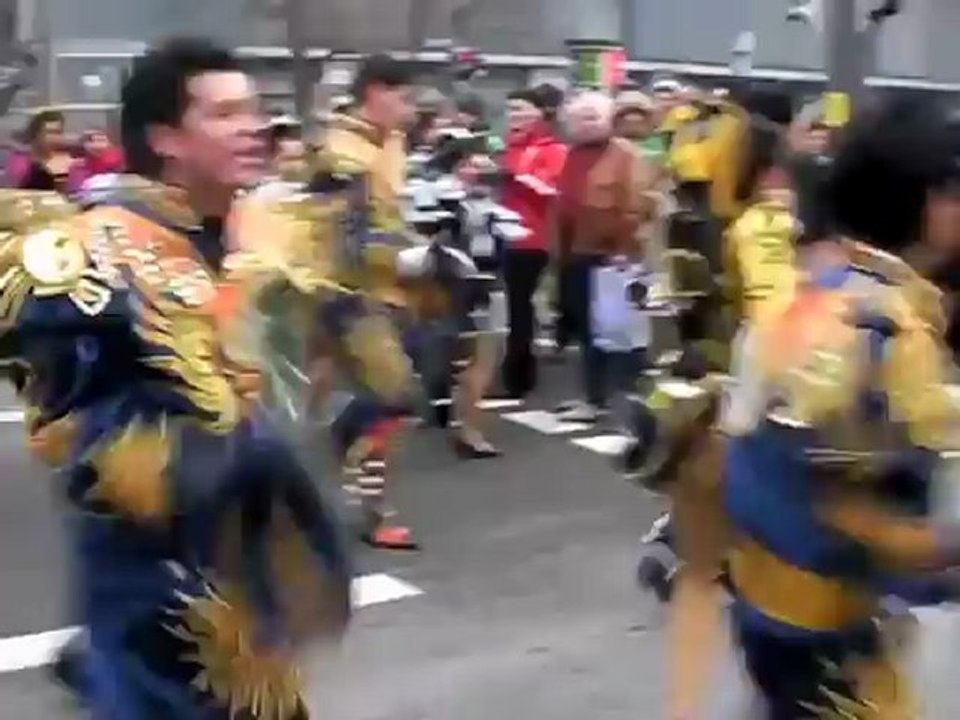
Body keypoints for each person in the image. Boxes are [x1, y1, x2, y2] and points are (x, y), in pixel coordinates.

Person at [0, 37, 351, 719]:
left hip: (233, 591)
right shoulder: (93, 251)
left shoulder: (238, 232)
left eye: (255, 109)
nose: (254, 127)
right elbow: (76, 431)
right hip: (155, 601)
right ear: (165, 137)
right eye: (224, 114)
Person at [716, 97, 960, 720]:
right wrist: (936, 551)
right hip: (823, 622)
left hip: (774, 601)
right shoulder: (882, 326)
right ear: (925, 200)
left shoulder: (827, 284)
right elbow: (844, 506)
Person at [319, 53, 421, 549]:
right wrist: (413, 257)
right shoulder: (343, 154)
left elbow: (391, 215)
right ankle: (371, 512)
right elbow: (347, 239)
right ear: (375, 92)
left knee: (387, 398)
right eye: (404, 96)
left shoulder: (391, 141)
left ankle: (347, 438)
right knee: (392, 396)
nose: (412, 106)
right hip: (349, 291)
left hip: (387, 289)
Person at [553, 91, 654, 424]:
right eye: (580, 117)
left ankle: (622, 398)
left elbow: (636, 205)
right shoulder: (573, 154)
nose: (587, 123)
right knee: (587, 329)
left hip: (612, 256)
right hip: (576, 253)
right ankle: (594, 398)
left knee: (618, 330)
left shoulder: (625, 154)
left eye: (593, 116)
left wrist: (625, 251)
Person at [499, 87, 567, 398]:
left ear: (541, 113)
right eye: (512, 110)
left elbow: (551, 188)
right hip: (500, 232)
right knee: (509, 305)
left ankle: (519, 374)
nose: (515, 116)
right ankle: (510, 367)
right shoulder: (507, 145)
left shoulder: (552, 148)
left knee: (520, 305)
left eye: (522, 109)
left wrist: (513, 176)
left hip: (532, 236)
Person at [8, 108, 73, 193]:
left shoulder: (67, 159)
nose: (54, 138)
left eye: (58, 132)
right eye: (49, 132)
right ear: (36, 135)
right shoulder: (21, 159)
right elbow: (17, 187)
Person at [66, 128, 124, 196]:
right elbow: (76, 192)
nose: (98, 145)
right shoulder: (77, 166)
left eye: (102, 140)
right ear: (84, 144)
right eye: (94, 141)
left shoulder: (115, 158)